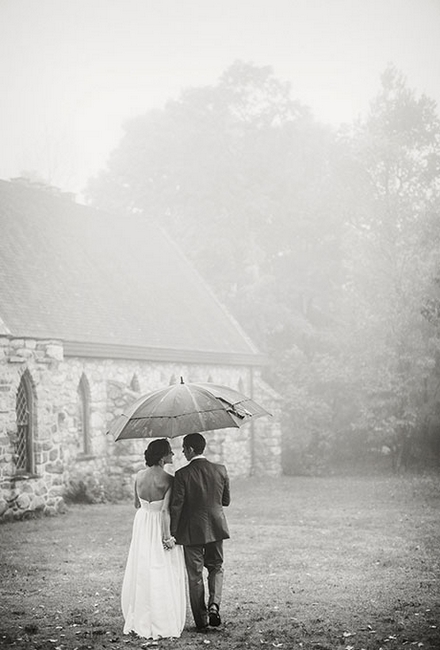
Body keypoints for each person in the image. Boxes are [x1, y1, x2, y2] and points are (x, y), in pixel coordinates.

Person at [121, 439, 186, 640]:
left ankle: (140, 617)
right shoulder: (169, 479)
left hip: (143, 523)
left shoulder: (139, 476)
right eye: (170, 452)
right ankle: (161, 620)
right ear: (162, 456)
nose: (173, 455)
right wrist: (167, 538)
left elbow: (136, 504)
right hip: (158, 523)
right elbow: (166, 510)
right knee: (161, 568)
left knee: (143, 567)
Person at [170, 432, 231, 632]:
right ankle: (215, 604)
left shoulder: (182, 474)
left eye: (184, 449)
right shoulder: (220, 470)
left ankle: (202, 620)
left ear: (191, 449)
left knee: (194, 575)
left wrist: (172, 533)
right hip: (215, 527)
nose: (182, 452)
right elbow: (225, 501)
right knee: (216, 567)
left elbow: (176, 506)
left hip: (191, 531)